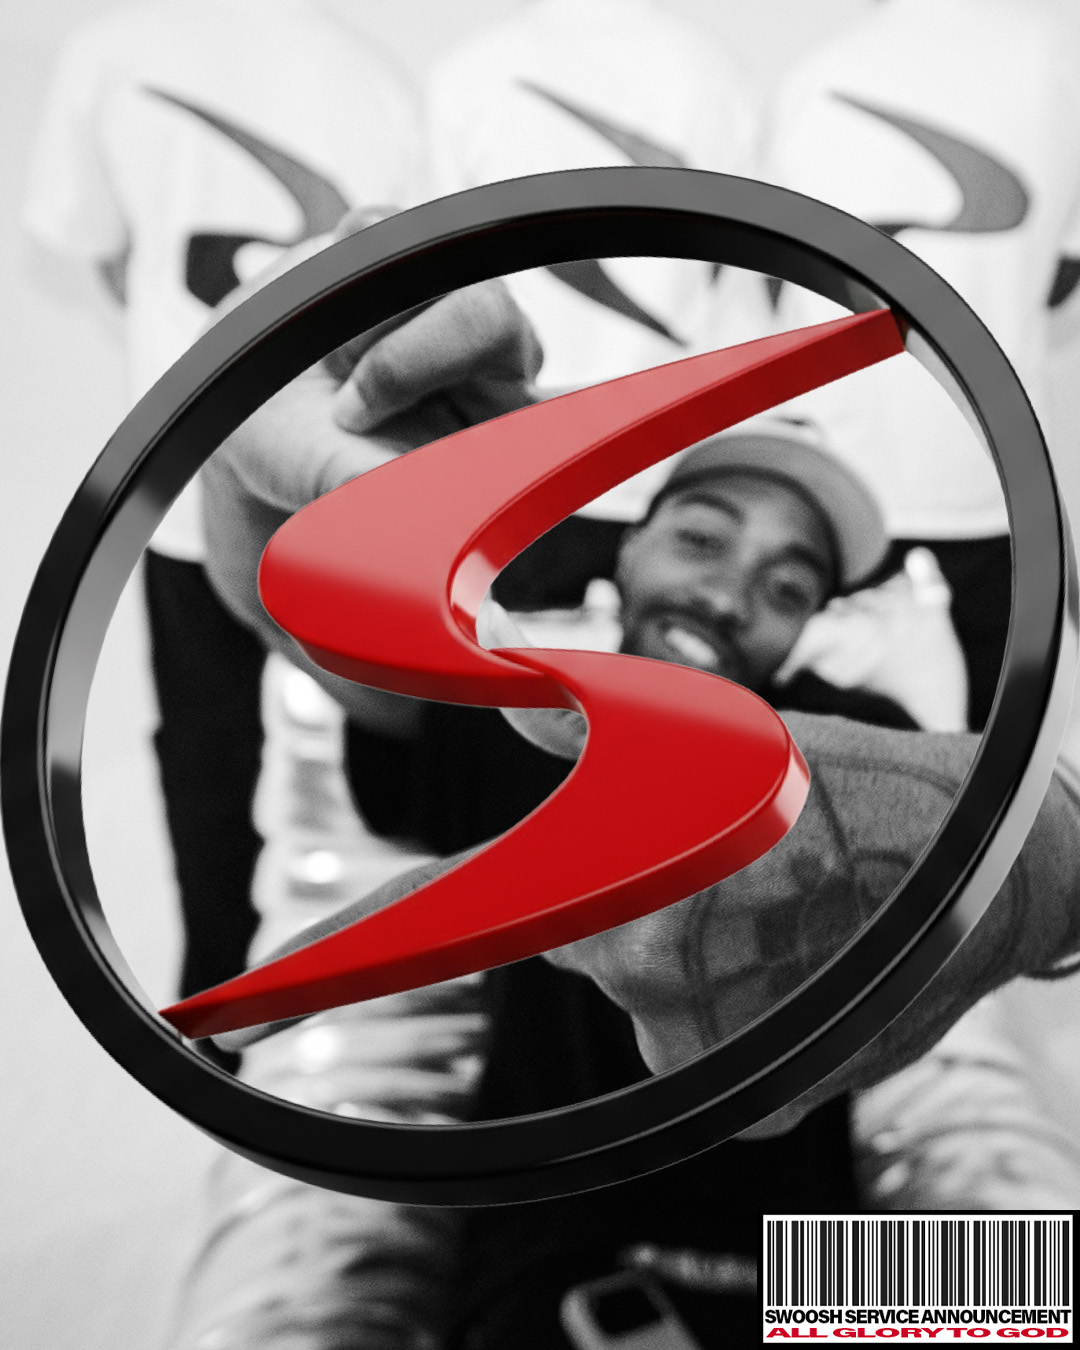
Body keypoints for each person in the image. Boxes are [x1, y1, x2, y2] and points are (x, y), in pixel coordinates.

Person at [21, 0, 421, 1000]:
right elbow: (408, 279)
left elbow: (98, 247)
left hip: (184, 465)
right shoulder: (371, 72)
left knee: (206, 744)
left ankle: (213, 999)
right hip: (342, 474)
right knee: (390, 736)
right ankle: (380, 980)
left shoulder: (108, 52)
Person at [758, 0, 1080, 731]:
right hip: (989, 482)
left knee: (829, 772)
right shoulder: (1060, 68)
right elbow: (1061, 282)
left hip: (833, 484)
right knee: (991, 767)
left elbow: (772, 281)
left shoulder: (818, 72)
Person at [425, 0, 757, 597]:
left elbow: (433, 288)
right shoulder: (716, 71)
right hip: (666, 474)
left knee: (498, 659)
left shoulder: (468, 71)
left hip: (505, 480)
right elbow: (749, 295)